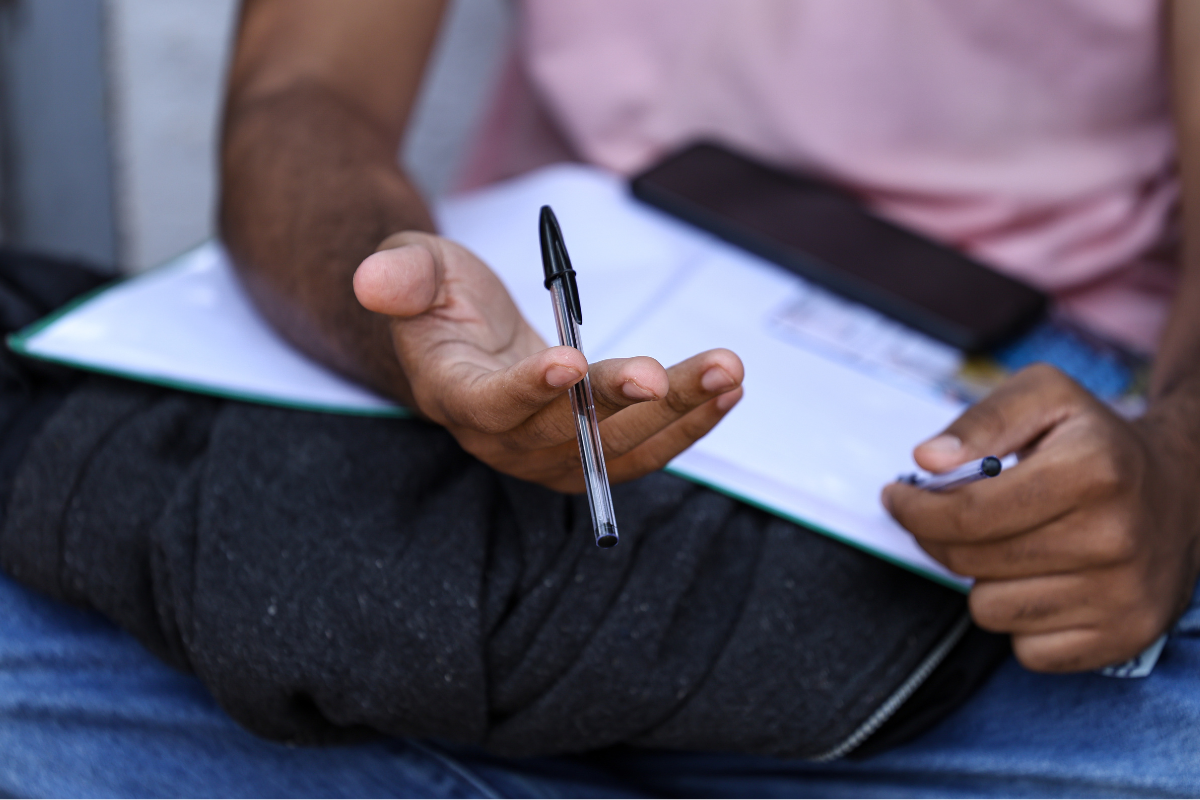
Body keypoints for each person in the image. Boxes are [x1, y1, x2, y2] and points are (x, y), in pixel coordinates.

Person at [3, 0, 1200, 795]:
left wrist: (1177, 467)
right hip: (547, 308)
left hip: (1028, 394)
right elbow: (297, 103)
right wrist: (401, 321)